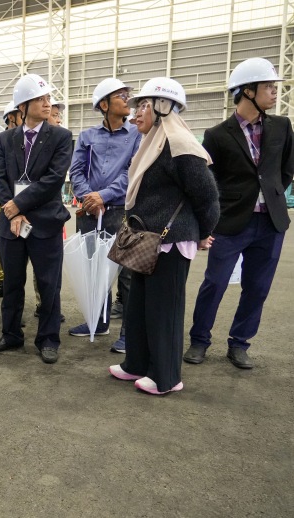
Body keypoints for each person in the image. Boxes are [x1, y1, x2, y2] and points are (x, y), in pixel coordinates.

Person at [109, 77, 219, 395]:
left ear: (163, 106)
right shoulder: (154, 142)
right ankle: (137, 364)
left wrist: (205, 232)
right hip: (149, 241)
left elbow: (207, 196)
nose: (135, 112)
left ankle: (166, 377)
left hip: (171, 240)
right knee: (140, 306)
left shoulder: (180, 144)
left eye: (143, 105)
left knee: (164, 309)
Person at [185, 58, 293, 370]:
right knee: (215, 283)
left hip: (270, 222)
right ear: (247, 91)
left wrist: (271, 193)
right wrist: (207, 222)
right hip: (230, 222)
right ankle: (199, 340)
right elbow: (209, 181)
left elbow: (286, 169)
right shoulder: (217, 134)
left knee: (257, 288)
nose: (274, 92)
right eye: (268, 87)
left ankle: (240, 343)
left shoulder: (282, 127)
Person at [0, 74, 72, 363]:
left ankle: (48, 339)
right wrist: (14, 210)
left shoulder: (61, 136)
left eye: (49, 98)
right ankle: (11, 334)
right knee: (12, 282)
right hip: (12, 223)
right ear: (23, 106)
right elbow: (0, 178)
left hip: (46, 221)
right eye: (41, 99)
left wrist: (17, 206)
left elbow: (53, 179)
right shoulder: (4, 139)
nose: (48, 103)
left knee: (49, 284)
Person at [67, 78, 142, 353]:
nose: (127, 99)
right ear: (104, 104)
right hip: (90, 211)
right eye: (121, 95)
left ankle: (128, 333)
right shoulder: (87, 136)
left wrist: (104, 196)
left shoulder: (137, 135)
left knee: (126, 274)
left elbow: (132, 172)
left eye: (127, 94)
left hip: (122, 211)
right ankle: (97, 322)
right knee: (94, 270)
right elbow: (76, 172)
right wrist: (90, 198)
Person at [0, 101, 25, 299]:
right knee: (4, 244)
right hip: (4, 203)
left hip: (27, 204)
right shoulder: (0, 141)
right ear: (12, 117)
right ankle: (4, 282)